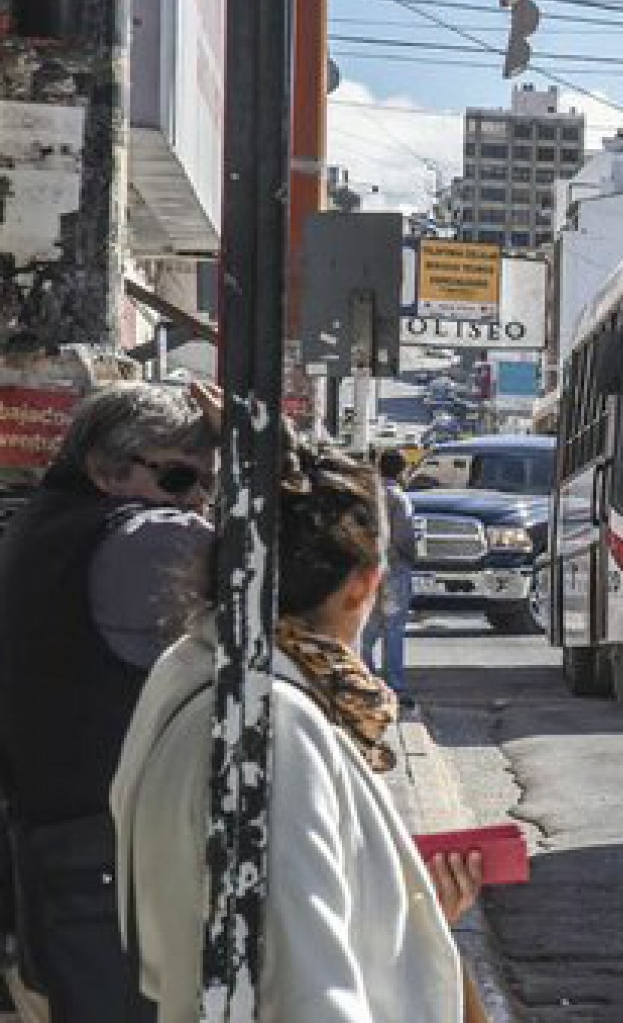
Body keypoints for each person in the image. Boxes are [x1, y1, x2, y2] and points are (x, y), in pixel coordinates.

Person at [110, 442, 485, 1022]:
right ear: (363, 586)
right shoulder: (277, 726)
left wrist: (404, 908)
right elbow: (310, 987)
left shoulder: (191, 666)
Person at [0, 381, 220, 1021]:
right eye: (181, 480)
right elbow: (320, 561)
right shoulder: (141, 541)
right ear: (105, 468)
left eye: (209, 486)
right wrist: (280, 454)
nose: (199, 504)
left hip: (65, 852)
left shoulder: (44, 526)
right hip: (108, 864)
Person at [362, 449, 417, 700]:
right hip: (394, 567)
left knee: (370, 625)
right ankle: (394, 683)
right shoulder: (399, 498)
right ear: (402, 471)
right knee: (393, 627)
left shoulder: (368, 495)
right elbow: (405, 536)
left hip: (368, 566)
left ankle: (365, 675)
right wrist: (412, 557)